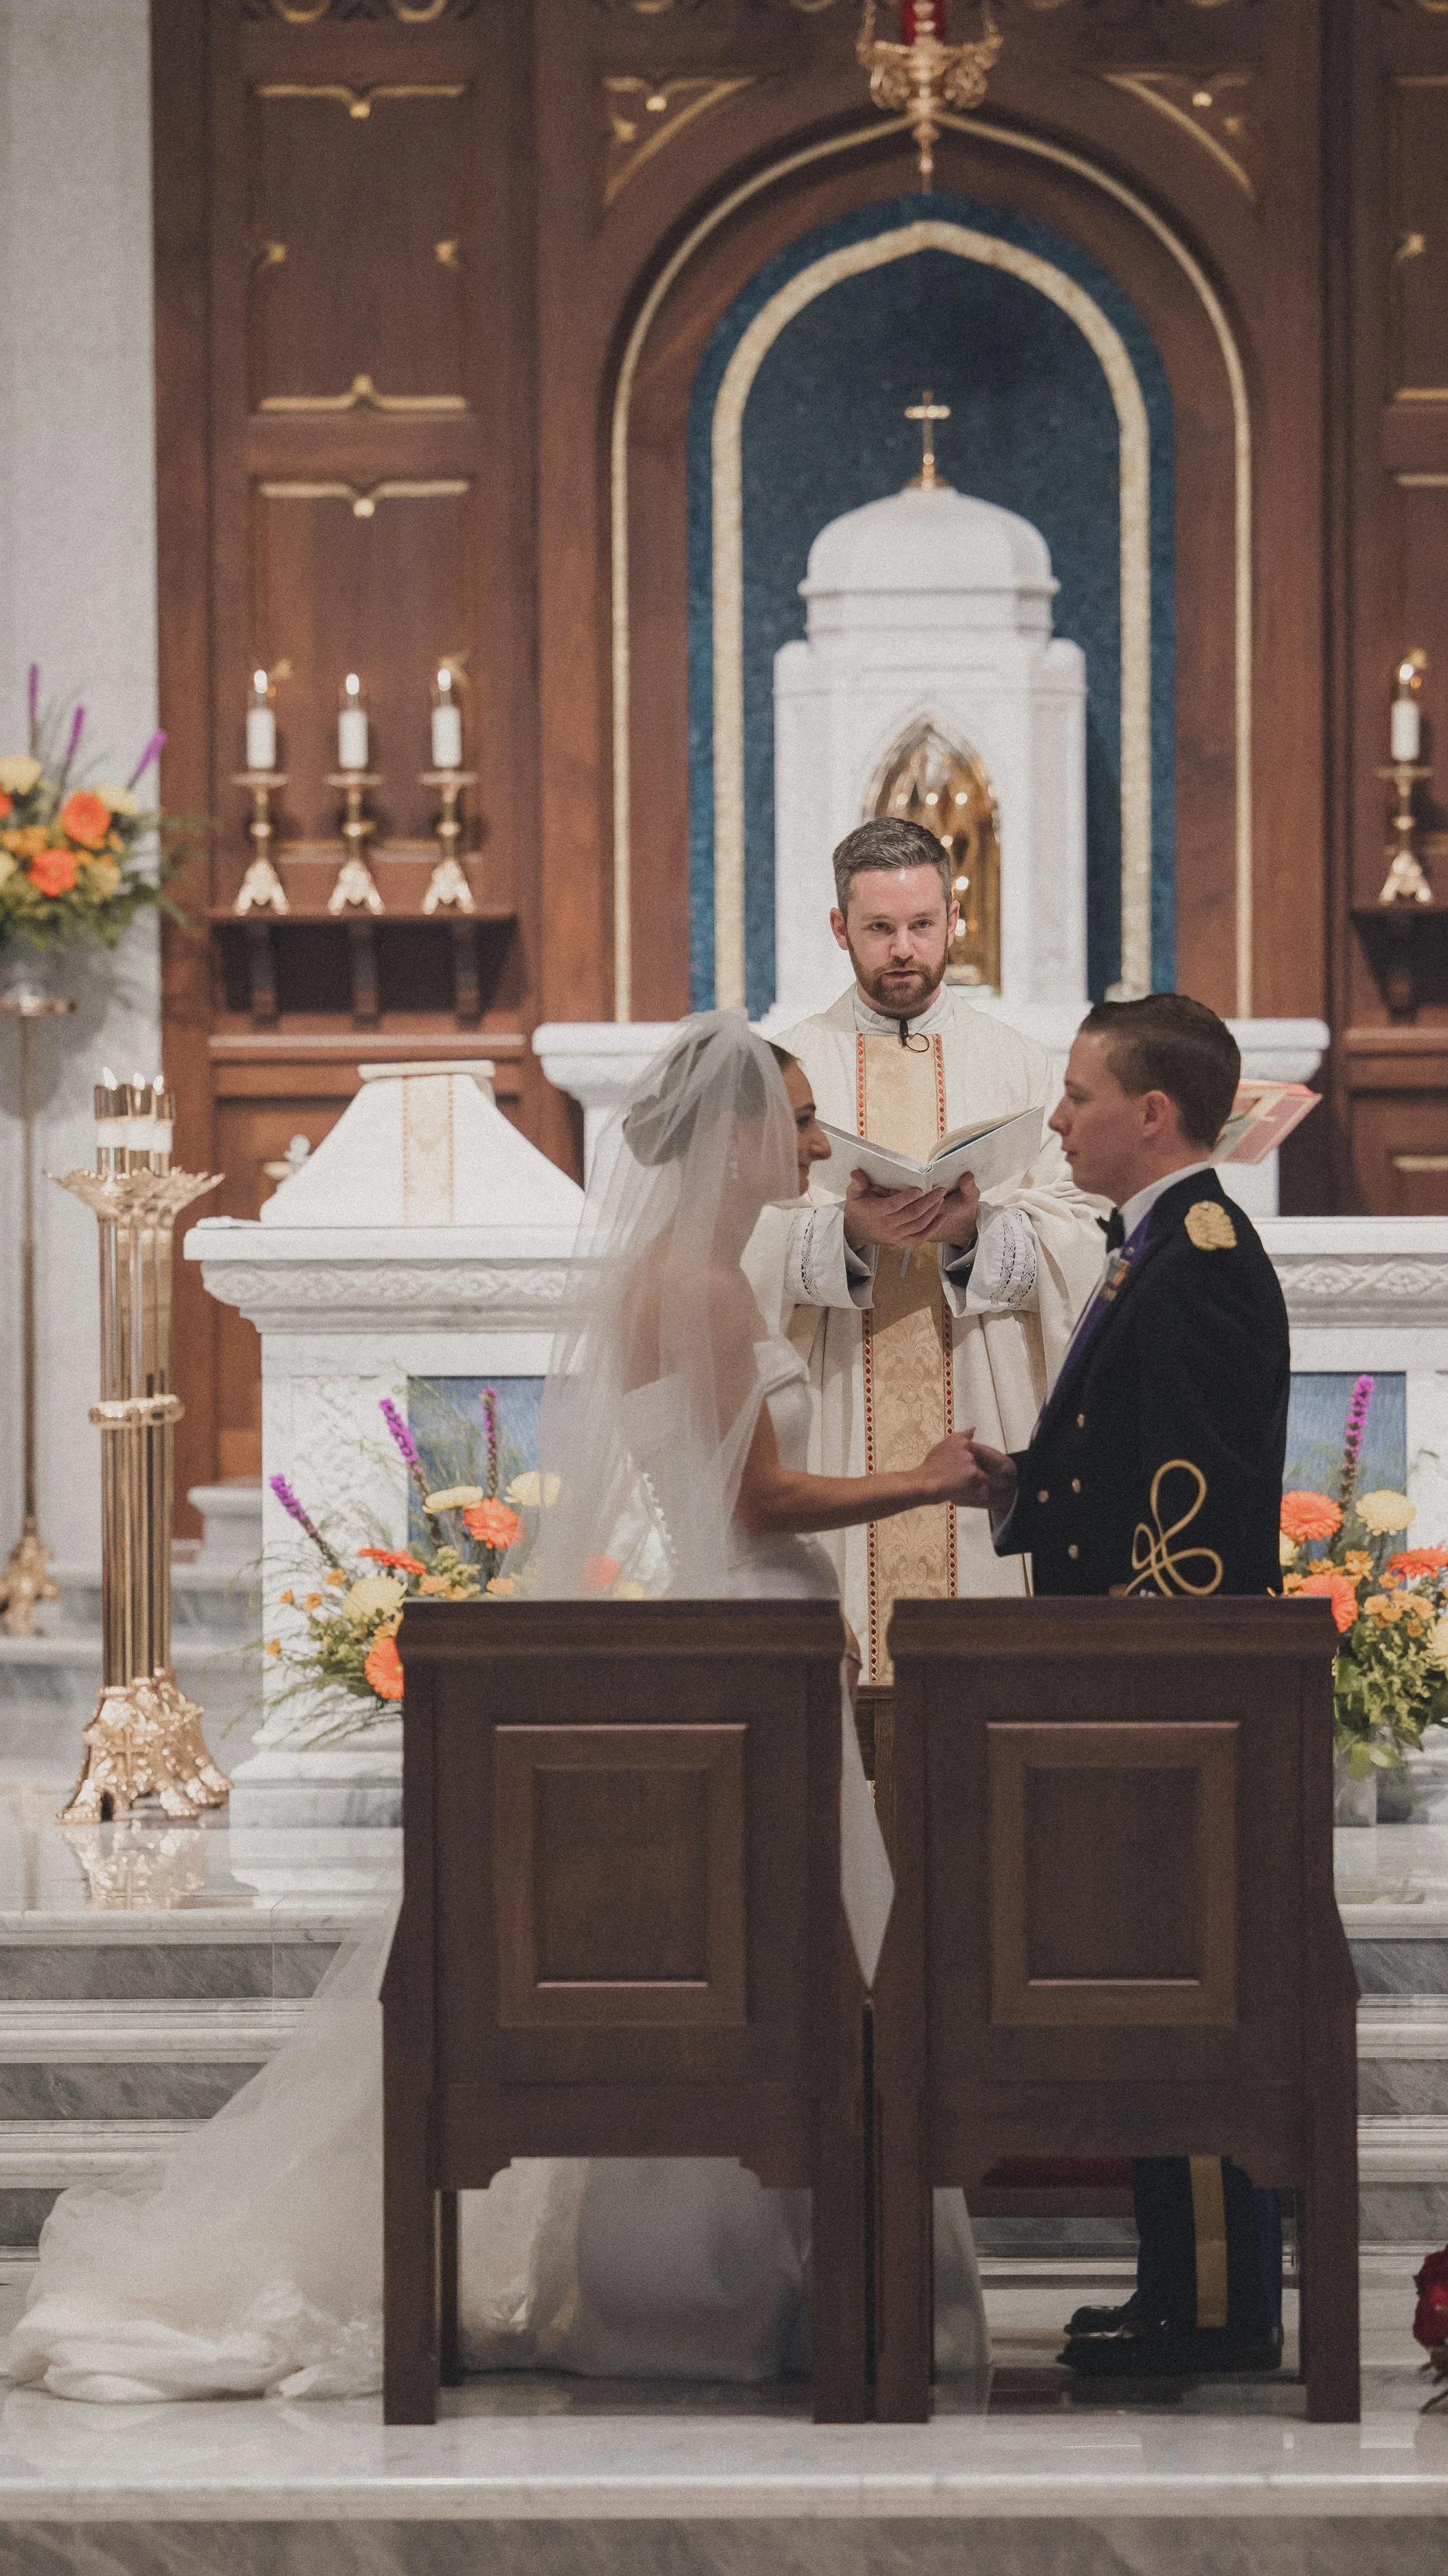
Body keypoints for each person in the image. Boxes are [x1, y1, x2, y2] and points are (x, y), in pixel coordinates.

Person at [7, 1014, 991, 2403]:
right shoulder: (704, 1289)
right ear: (734, 1137)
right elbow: (754, 1499)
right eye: (800, 1119)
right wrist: (927, 1480)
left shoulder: (680, 1273)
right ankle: (725, 2284)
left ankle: (704, 2274)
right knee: (786, 1960)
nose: (820, 1145)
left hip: (744, 1627)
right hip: (754, 1633)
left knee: (757, 1955)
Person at [972, 993, 1291, 2381]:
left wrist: (1147, 1689)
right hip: (1149, 1687)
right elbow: (1124, 1453)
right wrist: (1027, 1483)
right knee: (1163, 1988)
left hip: (1174, 1697)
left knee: (1192, 1992)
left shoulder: (1199, 1255)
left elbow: (1199, 1505)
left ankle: (1214, 2305)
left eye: (1078, 1093)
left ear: (1151, 1113)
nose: (1058, 1119)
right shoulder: (1156, 1243)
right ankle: (1182, 2288)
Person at [748, 817, 1104, 1684]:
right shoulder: (790, 1066)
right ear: (840, 928)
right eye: (879, 928)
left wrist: (975, 1232)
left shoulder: (1019, 1066)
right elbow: (738, 1232)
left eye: (921, 925)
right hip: (837, 1396)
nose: (902, 950)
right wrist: (845, 1236)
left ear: (955, 920)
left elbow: (1086, 1231)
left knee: (976, 1679)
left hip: (982, 1391)